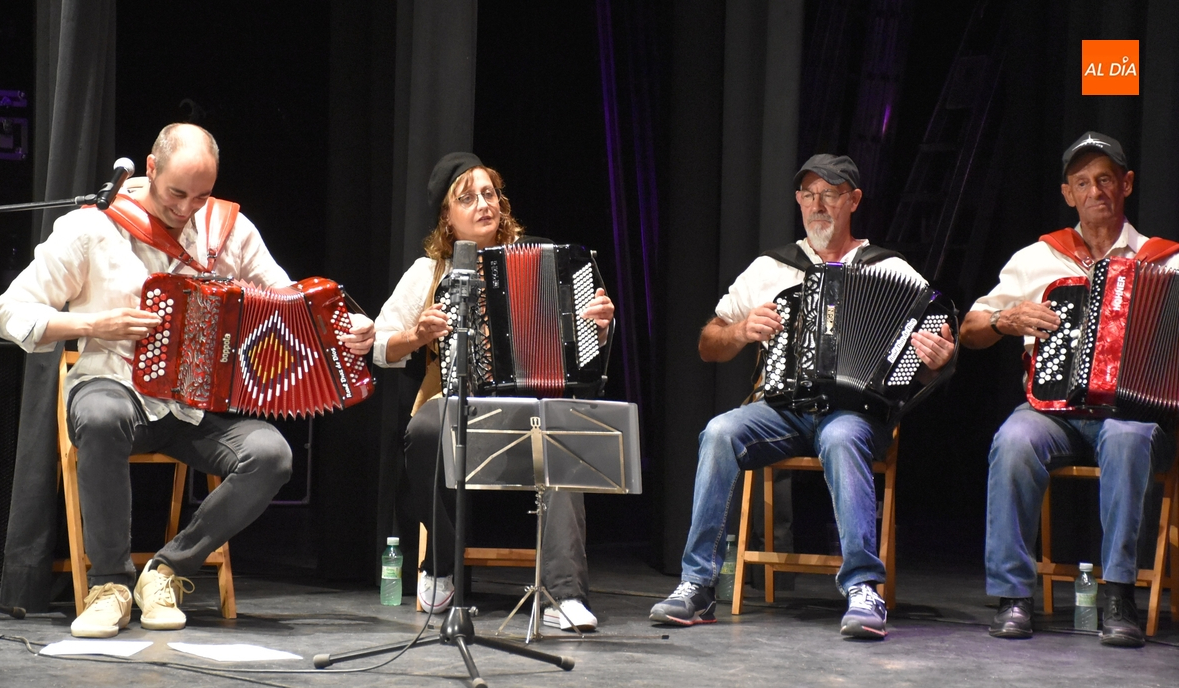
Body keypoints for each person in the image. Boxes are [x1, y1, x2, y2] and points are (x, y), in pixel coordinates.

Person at [0, 123, 375, 638]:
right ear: (151, 169)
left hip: (195, 408)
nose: (187, 207)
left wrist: (345, 328)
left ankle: (167, 571)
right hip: (114, 385)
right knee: (102, 416)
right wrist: (90, 325)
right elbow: (8, 312)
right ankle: (109, 585)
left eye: (201, 195)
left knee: (272, 455)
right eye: (177, 192)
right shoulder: (93, 228)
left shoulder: (229, 230)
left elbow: (290, 303)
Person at [648, 154, 955, 639]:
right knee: (720, 432)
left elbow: (931, 352)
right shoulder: (771, 267)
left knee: (841, 438)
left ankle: (862, 588)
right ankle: (697, 585)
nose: (818, 205)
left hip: (854, 415)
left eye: (830, 194)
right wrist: (744, 330)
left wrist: (937, 357)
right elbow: (709, 341)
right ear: (797, 200)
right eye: (809, 194)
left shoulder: (892, 269)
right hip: (782, 411)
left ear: (853, 201)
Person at [372, 152, 614, 631]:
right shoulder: (428, 273)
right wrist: (419, 335)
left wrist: (598, 326)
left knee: (562, 428)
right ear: (447, 215)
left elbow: (586, 341)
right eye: (468, 197)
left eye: (490, 194)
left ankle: (563, 595)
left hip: (532, 404)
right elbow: (381, 345)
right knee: (422, 430)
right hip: (457, 404)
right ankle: (441, 564)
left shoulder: (547, 258)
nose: (483, 204)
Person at [959, 131, 1179, 648]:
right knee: (1013, 441)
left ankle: (1119, 594)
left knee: (1127, 439)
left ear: (1126, 184)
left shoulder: (1166, 262)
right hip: (1052, 412)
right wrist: (1007, 319)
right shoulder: (1039, 257)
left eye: (1105, 179)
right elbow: (970, 328)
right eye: (1083, 182)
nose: (1095, 190)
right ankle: (1013, 596)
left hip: (1131, 414)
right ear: (1068, 193)